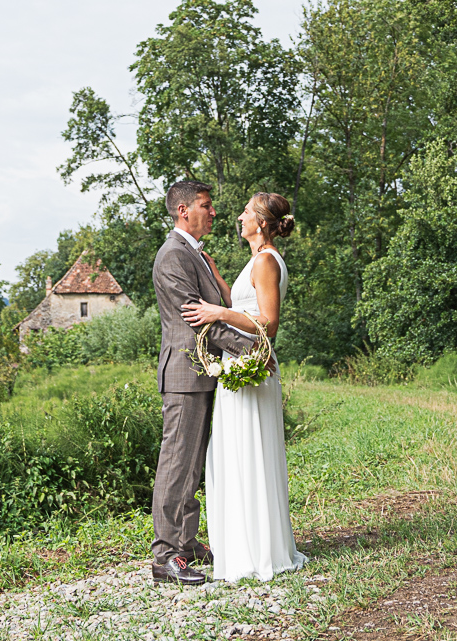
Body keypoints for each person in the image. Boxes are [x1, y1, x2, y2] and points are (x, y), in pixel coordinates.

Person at [182, 192, 307, 582]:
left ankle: (258, 551)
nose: (239, 217)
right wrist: (216, 276)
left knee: (249, 453)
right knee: (237, 453)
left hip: (252, 366)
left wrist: (218, 312)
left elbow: (268, 323)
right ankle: (242, 544)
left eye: (246, 213)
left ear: (263, 222)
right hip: (241, 365)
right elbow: (246, 301)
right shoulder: (257, 260)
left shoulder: (268, 260)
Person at [150, 181, 256, 585]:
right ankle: (166, 556)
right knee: (176, 464)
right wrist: (252, 349)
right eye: (206, 206)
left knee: (192, 465)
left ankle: (188, 543)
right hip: (184, 372)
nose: (213, 213)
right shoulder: (174, 255)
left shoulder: (194, 254)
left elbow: (218, 310)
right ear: (183, 210)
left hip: (203, 374)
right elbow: (198, 319)